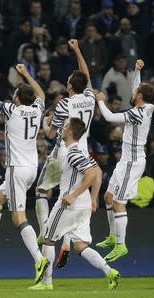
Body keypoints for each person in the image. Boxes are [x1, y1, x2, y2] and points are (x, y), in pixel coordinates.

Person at [0, 62, 48, 286]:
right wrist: (26, 73)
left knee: (18, 217)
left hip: (17, 169)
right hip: (31, 169)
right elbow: (41, 93)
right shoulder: (37, 109)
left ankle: (39, 259)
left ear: (16, 98)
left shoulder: (11, 110)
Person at [31, 117, 119, 291]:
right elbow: (98, 172)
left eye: (65, 127)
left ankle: (46, 283)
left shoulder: (72, 153)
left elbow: (90, 174)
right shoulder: (82, 151)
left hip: (69, 204)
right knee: (80, 246)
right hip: (84, 204)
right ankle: (110, 272)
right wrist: (93, 198)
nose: (62, 129)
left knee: (48, 239)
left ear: (70, 132)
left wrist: (73, 195)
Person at [36, 39, 96, 267]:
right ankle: (67, 242)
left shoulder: (63, 105)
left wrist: (45, 122)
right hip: (83, 152)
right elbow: (86, 76)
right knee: (71, 197)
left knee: (42, 190)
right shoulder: (90, 99)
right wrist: (78, 50)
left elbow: (51, 134)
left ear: (70, 86)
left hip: (65, 151)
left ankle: (46, 232)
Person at [95, 59, 154, 262]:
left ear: (139, 97)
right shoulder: (146, 107)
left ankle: (121, 245)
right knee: (108, 198)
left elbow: (110, 118)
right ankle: (112, 237)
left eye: (136, 92)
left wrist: (100, 100)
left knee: (119, 203)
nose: (133, 92)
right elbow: (138, 87)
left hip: (132, 162)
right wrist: (137, 70)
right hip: (126, 161)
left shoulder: (138, 113)